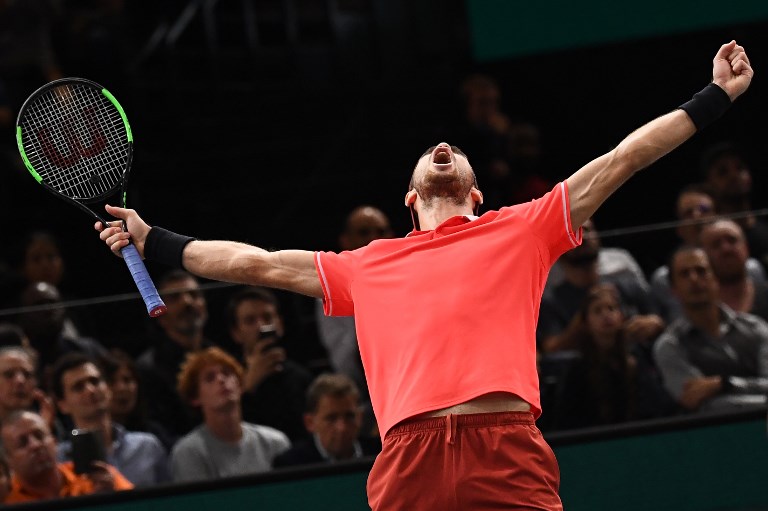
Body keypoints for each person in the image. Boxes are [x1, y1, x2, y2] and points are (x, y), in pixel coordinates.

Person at [98, 42, 753, 510]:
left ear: (475, 191)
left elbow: (623, 159)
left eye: (459, 152)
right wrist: (155, 239)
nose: (446, 149)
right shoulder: (367, 263)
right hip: (409, 458)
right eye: (434, 153)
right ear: (410, 197)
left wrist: (714, 98)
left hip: (504, 448)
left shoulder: (523, 227)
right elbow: (255, 263)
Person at [653, 247, 768, 412]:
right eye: (685, 274)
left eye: (701, 271)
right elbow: (705, 406)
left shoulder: (756, 328)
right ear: (674, 290)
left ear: (716, 280)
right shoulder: (669, 346)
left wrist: (725, 384)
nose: (694, 279)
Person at [314, 205, 393, 436]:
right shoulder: (329, 288)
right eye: (364, 232)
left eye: (381, 231)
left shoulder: (409, 278)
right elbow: (344, 361)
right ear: (345, 240)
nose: (374, 239)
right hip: (361, 398)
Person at [170, 347, 291, 482]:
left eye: (227, 373)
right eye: (210, 378)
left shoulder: (274, 442)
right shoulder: (189, 452)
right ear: (195, 398)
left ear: (240, 386)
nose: (221, 380)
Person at [650, 184, 765, 322]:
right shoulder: (664, 279)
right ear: (679, 228)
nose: (697, 217)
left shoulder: (752, 269)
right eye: (688, 213)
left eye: (704, 209)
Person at [51, 353, 170, 487]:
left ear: (107, 389)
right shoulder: (58, 460)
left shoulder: (147, 447)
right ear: (62, 404)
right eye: (78, 387)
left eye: (95, 381)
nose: (90, 390)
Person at [227, 286, 314, 441]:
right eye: (250, 321)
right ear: (236, 333)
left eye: (267, 317)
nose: (261, 326)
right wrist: (248, 385)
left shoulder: (301, 377)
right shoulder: (227, 377)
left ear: (279, 324)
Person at [136, 270, 213, 440]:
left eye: (193, 294)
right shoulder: (149, 368)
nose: (187, 302)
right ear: (159, 315)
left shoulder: (218, 356)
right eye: (174, 298)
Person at [1, 410, 133, 504]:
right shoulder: (8, 501)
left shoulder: (98, 477)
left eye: (39, 436)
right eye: (23, 443)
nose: (35, 445)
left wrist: (112, 498)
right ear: (8, 460)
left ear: (54, 441)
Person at [274, 373, 381, 468]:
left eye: (349, 416)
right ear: (310, 422)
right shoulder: (290, 465)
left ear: (360, 417)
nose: (342, 428)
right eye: (331, 418)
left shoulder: (382, 455)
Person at [700, 141, 768, 270]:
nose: (734, 175)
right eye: (722, 171)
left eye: (740, 168)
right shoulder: (709, 240)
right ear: (709, 184)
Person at [700, 219, 768, 321]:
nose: (726, 249)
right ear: (704, 256)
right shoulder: (698, 307)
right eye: (716, 244)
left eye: (732, 240)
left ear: (746, 248)